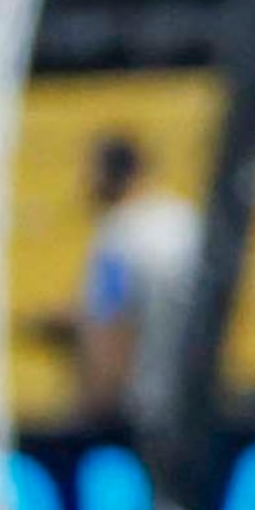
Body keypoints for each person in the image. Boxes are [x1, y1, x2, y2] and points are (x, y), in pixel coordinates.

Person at [64, 134, 201, 438]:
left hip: (142, 418)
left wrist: (92, 418)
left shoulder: (117, 240)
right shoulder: (186, 221)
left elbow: (111, 329)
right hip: (196, 405)